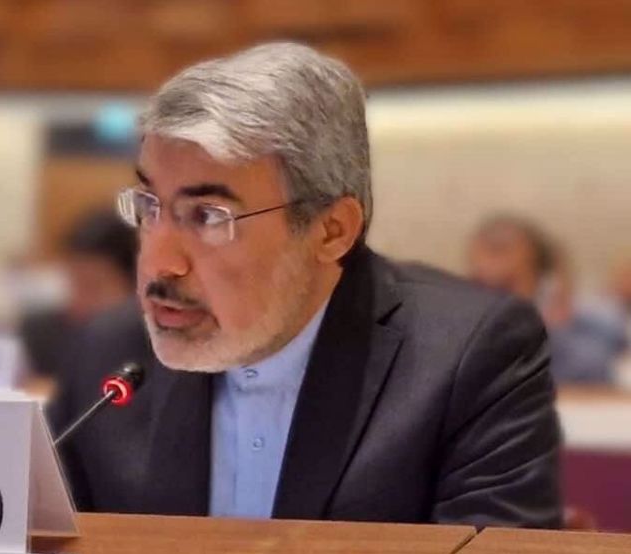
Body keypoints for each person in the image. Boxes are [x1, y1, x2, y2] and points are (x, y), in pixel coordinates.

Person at [49, 43, 561, 528]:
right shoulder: (106, 355)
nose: (159, 264)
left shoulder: (471, 357)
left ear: (331, 230)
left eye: (207, 216)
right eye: (150, 207)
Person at [467, 215, 627, 383]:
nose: (491, 299)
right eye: (480, 283)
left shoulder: (588, 354)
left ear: (543, 284)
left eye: (505, 286)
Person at [21, 210, 138, 379]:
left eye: (93, 287)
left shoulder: (153, 351)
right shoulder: (43, 335)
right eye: (73, 283)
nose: (78, 302)